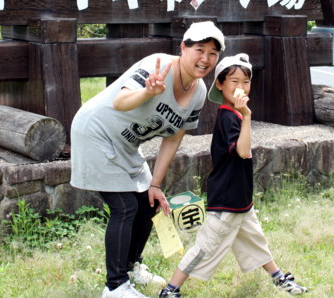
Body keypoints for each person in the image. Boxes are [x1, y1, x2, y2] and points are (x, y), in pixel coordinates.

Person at [70, 21, 225, 298]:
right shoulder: (158, 65)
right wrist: (148, 92)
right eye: (199, 50)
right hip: (96, 133)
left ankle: (131, 268)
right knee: (125, 207)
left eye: (213, 53)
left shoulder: (199, 91)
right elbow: (120, 102)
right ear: (183, 47)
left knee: (148, 203)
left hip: (127, 144)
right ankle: (115, 287)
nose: (205, 59)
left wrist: (155, 184)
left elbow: (174, 138)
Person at [158, 53, 309, 297]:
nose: (241, 87)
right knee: (206, 246)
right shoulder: (230, 116)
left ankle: (279, 278)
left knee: (255, 240)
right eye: (234, 81)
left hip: (240, 198)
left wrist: (245, 115)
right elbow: (242, 151)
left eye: (246, 82)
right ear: (219, 84)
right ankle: (170, 290)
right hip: (226, 199)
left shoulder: (235, 113)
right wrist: (247, 116)